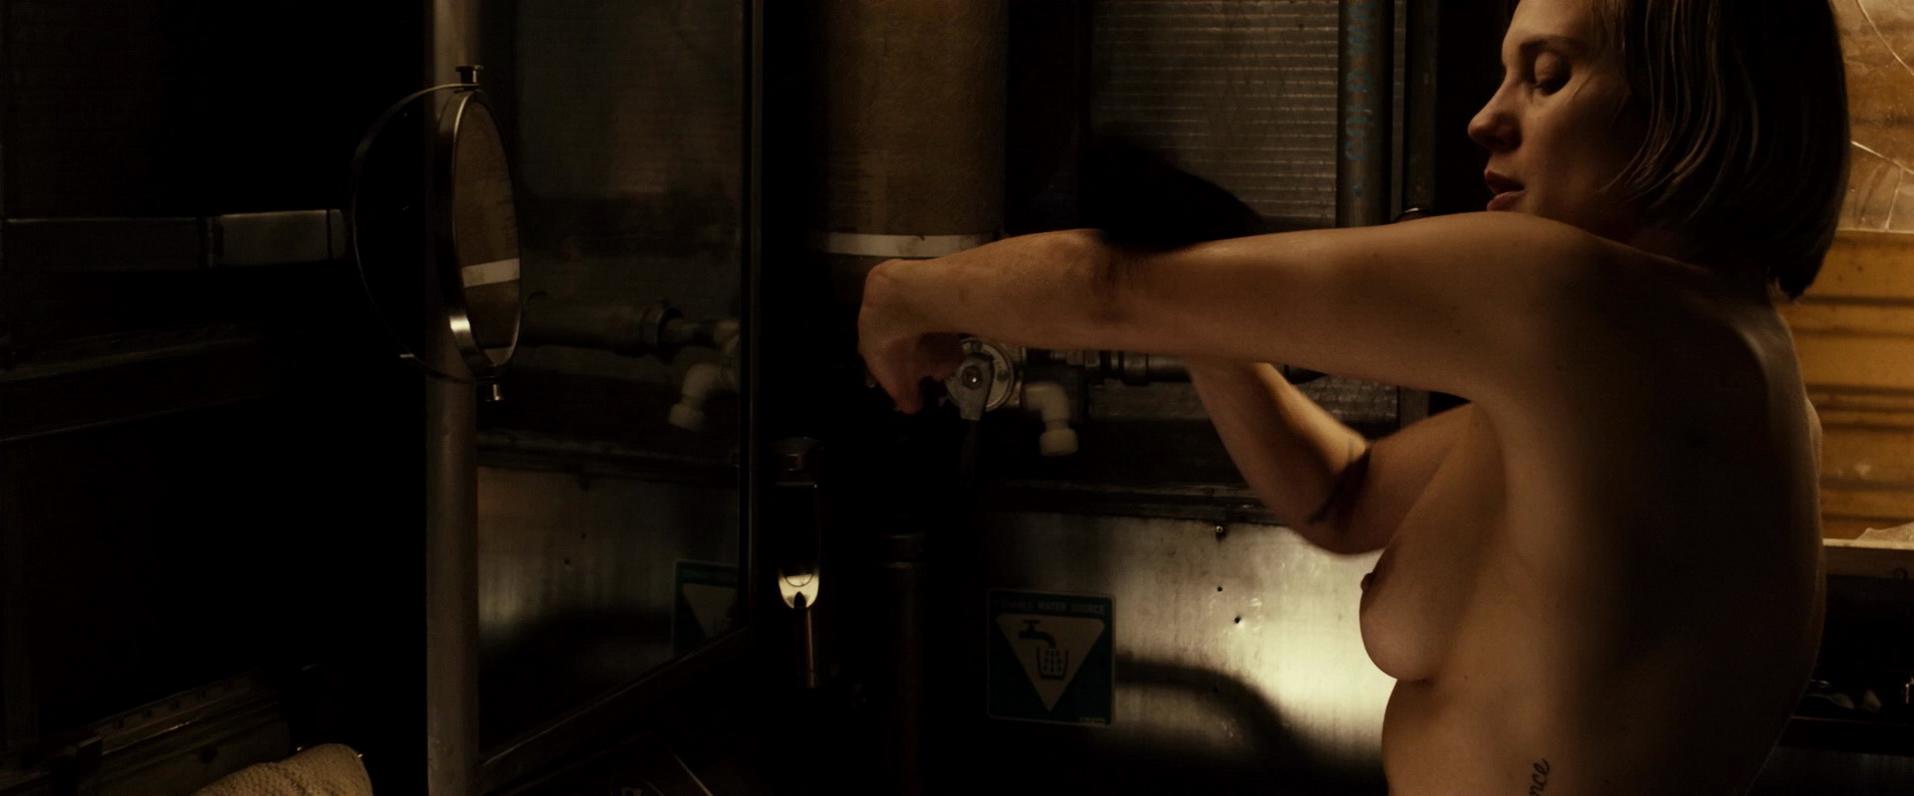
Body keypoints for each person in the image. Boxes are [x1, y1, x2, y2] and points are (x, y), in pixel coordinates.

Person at [857, 0, 1852, 791]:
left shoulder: (1581, 306)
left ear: (1691, 105)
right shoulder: (1682, 368)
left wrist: (903, 294)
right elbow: (1342, 494)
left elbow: (1107, 292)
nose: (1486, 117)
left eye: (1548, 76)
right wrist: (1206, 323)